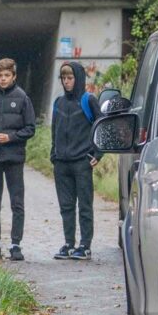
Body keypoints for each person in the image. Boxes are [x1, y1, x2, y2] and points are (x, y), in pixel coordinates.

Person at [0, 57, 36, 260]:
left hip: (14, 158)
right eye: (0, 75)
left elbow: (30, 128)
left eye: (7, 75)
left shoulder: (22, 98)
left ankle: (15, 245)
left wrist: (10, 137)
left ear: (14, 76)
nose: (3, 79)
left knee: (16, 203)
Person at [48, 60, 98, 260]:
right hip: (61, 163)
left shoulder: (88, 100)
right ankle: (69, 244)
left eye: (70, 78)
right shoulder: (58, 103)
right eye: (63, 78)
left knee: (84, 205)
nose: (67, 82)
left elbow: (102, 127)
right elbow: (54, 130)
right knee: (66, 206)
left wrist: (97, 154)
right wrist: (54, 154)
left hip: (81, 163)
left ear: (78, 79)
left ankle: (85, 245)